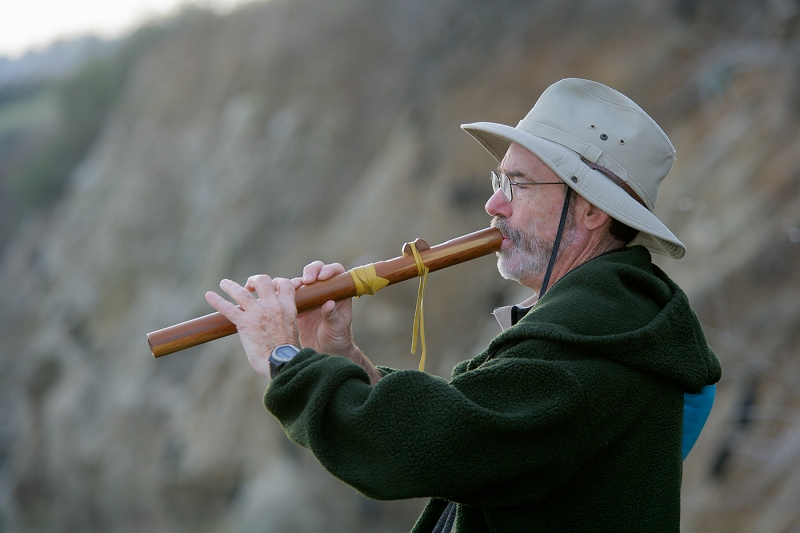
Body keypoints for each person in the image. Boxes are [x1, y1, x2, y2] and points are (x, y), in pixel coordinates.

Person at [205, 78, 722, 532]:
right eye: (500, 181)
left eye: (516, 185)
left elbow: (424, 448)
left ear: (588, 211)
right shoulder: (601, 325)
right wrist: (339, 356)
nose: (494, 204)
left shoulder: (594, 348)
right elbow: (467, 427)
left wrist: (284, 358)